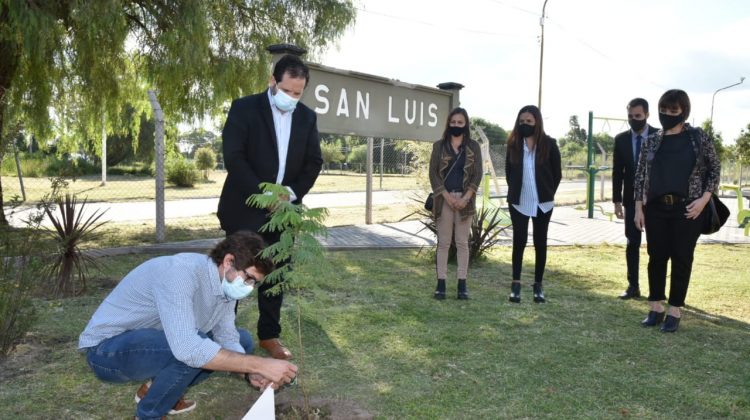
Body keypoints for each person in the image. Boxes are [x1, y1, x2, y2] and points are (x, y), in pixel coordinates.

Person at [78, 231, 298, 419]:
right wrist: (257, 364)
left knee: (241, 341)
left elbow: (227, 336)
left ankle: (156, 389)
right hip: (106, 351)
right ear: (229, 261)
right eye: (249, 278)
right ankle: (149, 415)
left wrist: (249, 372)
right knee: (191, 349)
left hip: (154, 343)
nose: (249, 287)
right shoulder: (181, 273)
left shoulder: (225, 285)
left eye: (255, 283)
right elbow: (188, 348)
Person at [218, 54, 323, 360]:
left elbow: (314, 162)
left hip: (284, 212)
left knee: (275, 277)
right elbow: (234, 157)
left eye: (297, 93)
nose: (291, 97)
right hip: (243, 207)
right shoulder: (244, 108)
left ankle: (269, 335)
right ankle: (223, 334)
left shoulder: (307, 117)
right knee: (234, 275)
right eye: (286, 90)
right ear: (272, 81)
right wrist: (264, 197)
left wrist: (288, 195)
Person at [633, 89, 720, 332]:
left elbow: (714, 170)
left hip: (688, 209)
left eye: (673, 111)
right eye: (663, 110)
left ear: (683, 112)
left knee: (682, 257)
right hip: (656, 209)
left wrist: (703, 200)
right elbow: (640, 177)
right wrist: (638, 208)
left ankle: (675, 310)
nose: (667, 115)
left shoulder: (698, 138)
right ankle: (655, 307)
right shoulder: (651, 140)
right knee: (656, 257)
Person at [505, 105, 561, 303]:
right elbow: (509, 174)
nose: (525, 124)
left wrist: (547, 194)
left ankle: (538, 286)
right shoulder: (512, 145)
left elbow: (557, 174)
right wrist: (515, 193)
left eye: (529, 121)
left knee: (540, 243)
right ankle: (516, 285)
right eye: (521, 122)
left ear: (537, 122)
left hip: (543, 204)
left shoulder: (550, 144)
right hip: (519, 203)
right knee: (518, 243)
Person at [428, 107, 483, 300]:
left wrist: (465, 197)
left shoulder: (473, 146)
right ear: (448, 124)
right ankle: (441, 283)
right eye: (453, 122)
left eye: (460, 123)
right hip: (444, 199)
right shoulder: (439, 146)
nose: (456, 126)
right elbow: (433, 173)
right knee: (443, 243)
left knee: (462, 243)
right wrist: (448, 198)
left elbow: (478, 173)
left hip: (465, 200)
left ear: (466, 124)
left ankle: (462, 284)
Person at [612, 98, 658, 300]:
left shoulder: (661, 135)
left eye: (638, 116)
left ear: (647, 115)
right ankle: (633, 286)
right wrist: (617, 201)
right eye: (630, 116)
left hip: (656, 200)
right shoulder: (621, 139)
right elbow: (617, 172)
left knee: (657, 246)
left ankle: (657, 290)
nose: (634, 120)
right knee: (632, 243)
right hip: (631, 201)